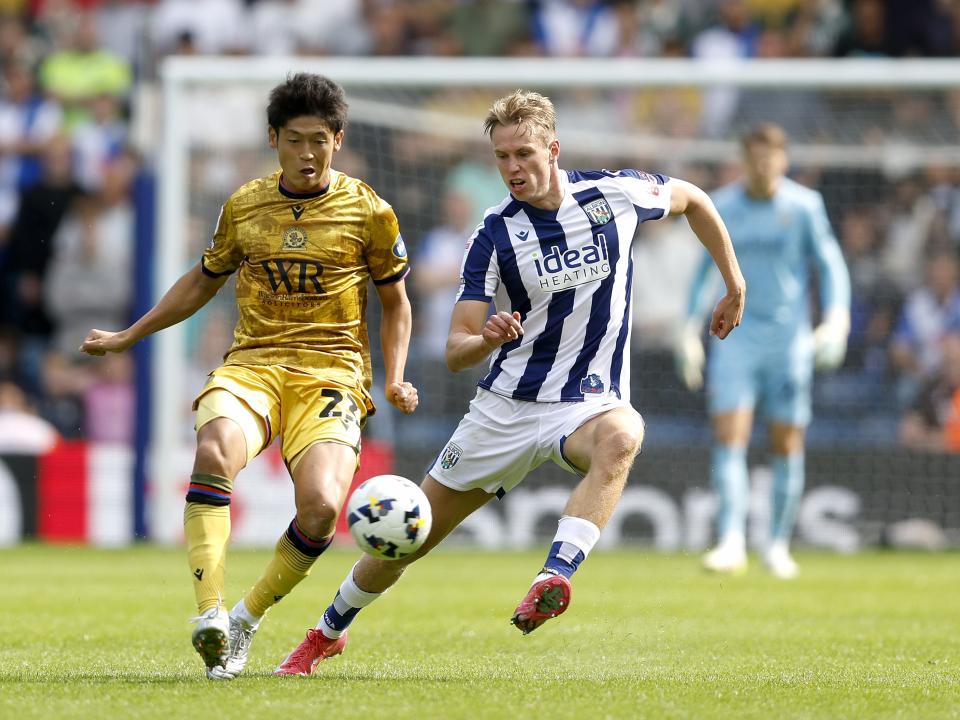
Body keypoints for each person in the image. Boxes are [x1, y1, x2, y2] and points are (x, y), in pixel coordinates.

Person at [273, 89, 746, 676]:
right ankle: (327, 632)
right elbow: (454, 350)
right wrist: (488, 339)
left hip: (587, 402)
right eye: (502, 158)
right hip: (506, 409)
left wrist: (733, 282)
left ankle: (556, 576)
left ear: (554, 148)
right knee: (410, 537)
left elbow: (695, 199)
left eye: (523, 153)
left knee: (623, 436)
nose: (513, 168)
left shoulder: (614, 195)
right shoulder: (493, 234)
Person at [79, 73, 419, 679]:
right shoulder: (244, 205)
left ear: (337, 140)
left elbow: (396, 303)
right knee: (213, 452)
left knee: (319, 508)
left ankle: (246, 617)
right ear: (273, 139)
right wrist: (131, 334)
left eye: (319, 139)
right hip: (252, 364)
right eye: (295, 139)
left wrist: (394, 377)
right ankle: (208, 614)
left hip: (331, 374)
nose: (308, 153)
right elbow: (200, 283)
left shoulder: (371, 211)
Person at [675, 122, 851, 579]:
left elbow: (830, 264)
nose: (762, 165)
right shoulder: (724, 205)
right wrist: (687, 329)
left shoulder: (804, 206)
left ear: (783, 160)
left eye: (770, 157)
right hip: (735, 340)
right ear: (744, 159)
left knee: (786, 441)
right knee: (730, 435)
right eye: (754, 157)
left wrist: (837, 318)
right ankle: (731, 541)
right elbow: (701, 273)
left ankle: (777, 545)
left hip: (789, 343)